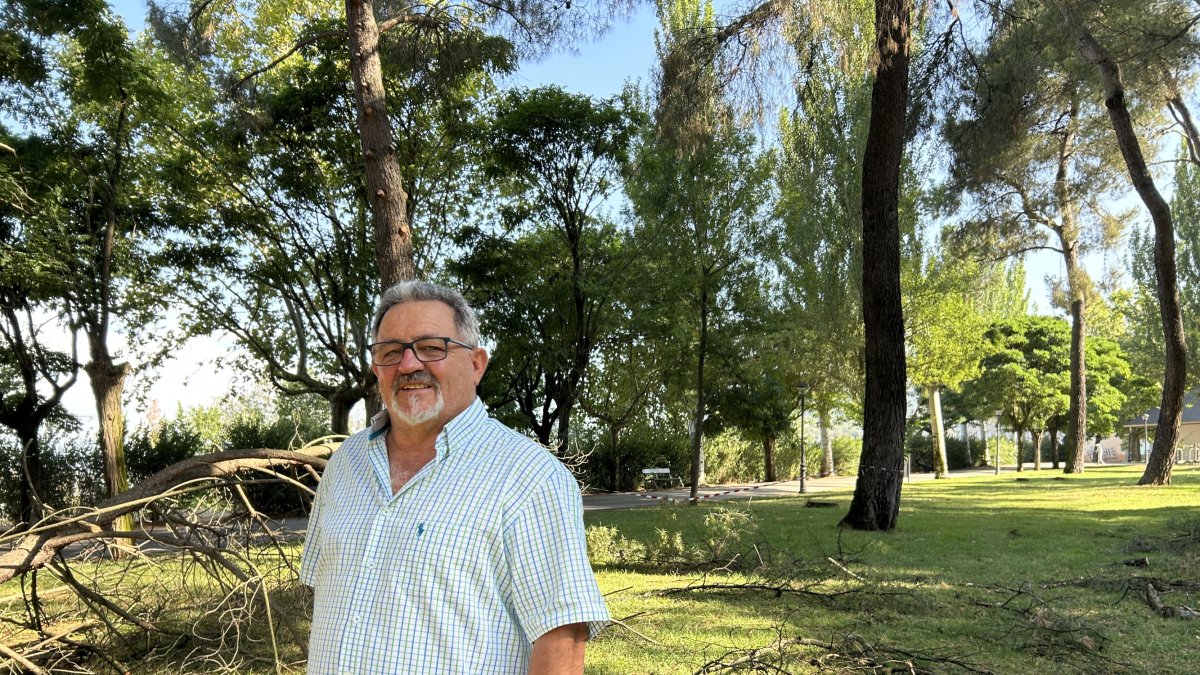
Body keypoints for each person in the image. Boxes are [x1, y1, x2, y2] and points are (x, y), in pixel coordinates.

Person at [301, 280, 609, 674]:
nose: (409, 365)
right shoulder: (345, 465)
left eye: (432, 348)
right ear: (377, 367)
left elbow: (561, 643)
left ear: (476, 364)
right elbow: (328, 603)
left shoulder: (530, 477)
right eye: (391, 352)